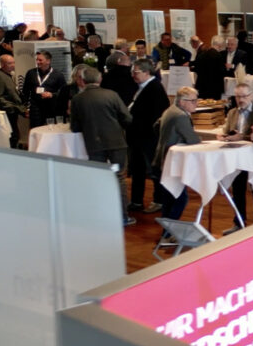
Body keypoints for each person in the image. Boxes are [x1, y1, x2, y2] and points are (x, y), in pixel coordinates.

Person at [70, 66, 133, 226]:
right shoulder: (111, 95)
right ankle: (123, 216)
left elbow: (74, 127)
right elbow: (127, 118)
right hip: (116, 141)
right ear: (100, 79)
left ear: (83, 80)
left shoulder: (77, 99)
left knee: (97, 178)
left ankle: (100, 215)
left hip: (93, 143)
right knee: (119, 177)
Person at [218, 83, 253, 233]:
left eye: (244, 96)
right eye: (237, 96)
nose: (241, 100)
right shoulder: (232, 112)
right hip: (237, 158)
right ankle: (239, 222)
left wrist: (242, 137)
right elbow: (228, 130)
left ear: (251, 96)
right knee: (238, 191)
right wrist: (224, 136)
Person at [125, 59, 170, 215]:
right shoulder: (141, 87)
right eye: (132, 71)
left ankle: (159, 200)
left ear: (146, 72)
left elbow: (157, 116)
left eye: (135, 72)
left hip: (149, 138)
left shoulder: (155, 88)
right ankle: (136, 201)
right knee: (137, 169)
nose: (133, 75)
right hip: (138, 137)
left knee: (154, 170)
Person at [153, 87, 201, 220]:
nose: (196, 103)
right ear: (182, 102)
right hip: (171, 162)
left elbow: (155, 127)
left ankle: (166, 230)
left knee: (169, 199)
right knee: (179, 199)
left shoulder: (169, 110)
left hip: (162, 159)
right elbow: (193, 140)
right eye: (193, 101)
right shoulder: (181, 116)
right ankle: (169, 230)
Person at [22, 50, 68, 128]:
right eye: (37, 60)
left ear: (48, 61)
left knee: (50, 130)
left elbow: (64, 92)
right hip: (35, 108)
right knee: (35, 129)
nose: (38, 62)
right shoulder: (31, 73)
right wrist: (24, 107)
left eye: (40, 60)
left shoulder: (58, 75)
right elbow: (25, 91)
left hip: (51, 108)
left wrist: (52, 95)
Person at [0, 54, 26, 148]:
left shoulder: (8, 75)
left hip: (13, 111)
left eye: (13, 62)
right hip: (8, 111)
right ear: (2, 65)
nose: (13, 65)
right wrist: (14, 108)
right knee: (12, 135)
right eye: (10, 63)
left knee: (15, 135)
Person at [194, 36, 226, 100]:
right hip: (214, 87)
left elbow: (197, 69)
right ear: (220, 45)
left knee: (203, 104)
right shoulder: (218, 56)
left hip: (202, 86)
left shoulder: (202, 54)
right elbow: (221, 72)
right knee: (215, 105)